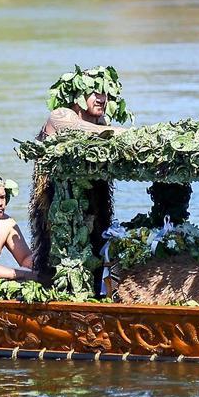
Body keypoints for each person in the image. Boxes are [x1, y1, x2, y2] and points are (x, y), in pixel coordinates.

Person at [30, 66, 128, 278]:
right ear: (77, 95)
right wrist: (120, 133)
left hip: (93, 202)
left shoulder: (102, 123)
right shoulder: (61, 114)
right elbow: (82, 130)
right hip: (57, 206)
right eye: (94, 92)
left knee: (97, 247)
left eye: (105, 92)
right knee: (58, 261)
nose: (102, 98)